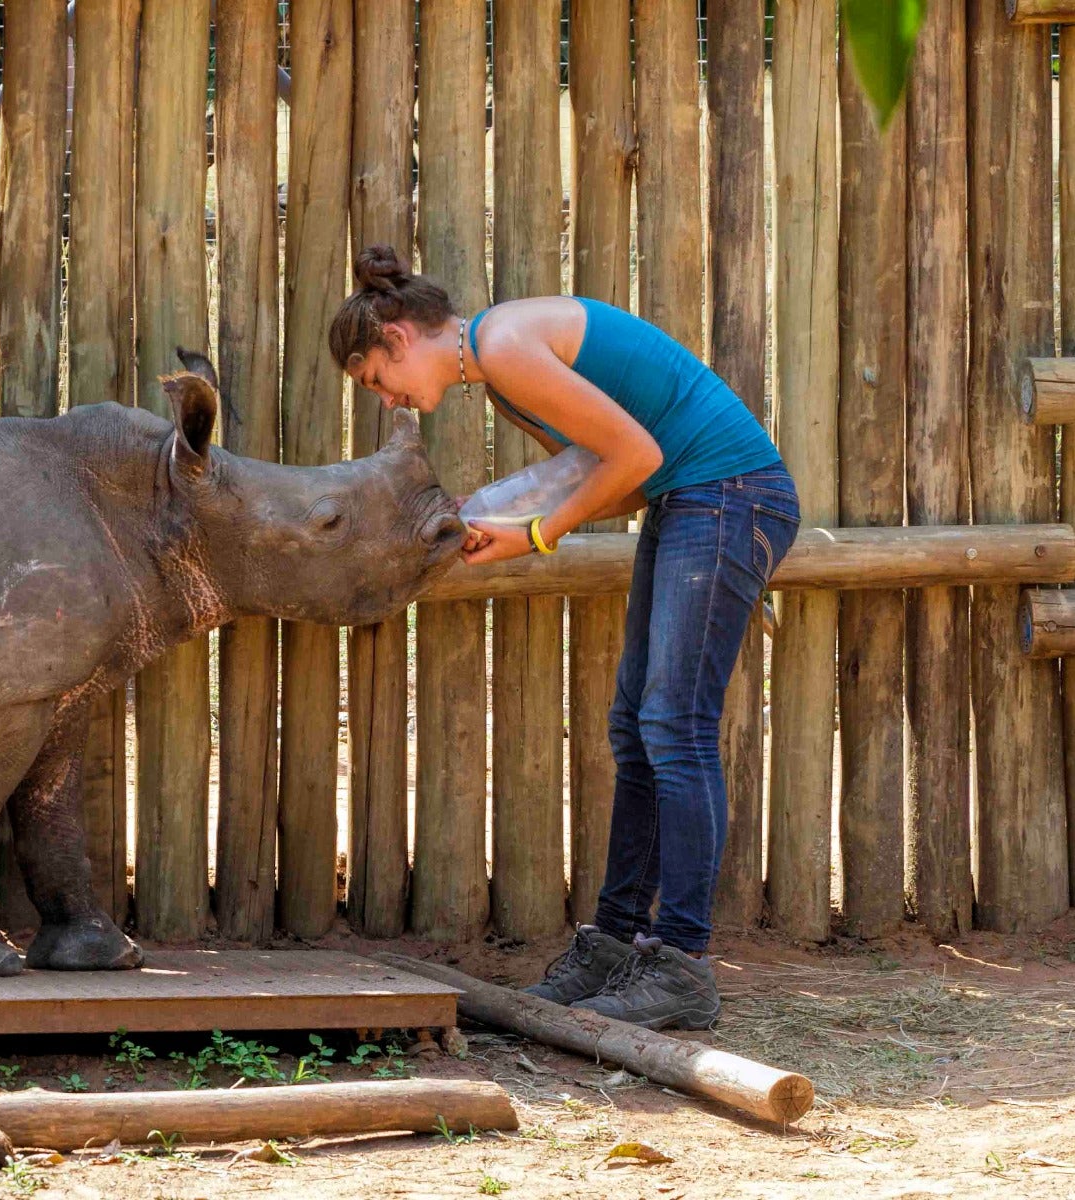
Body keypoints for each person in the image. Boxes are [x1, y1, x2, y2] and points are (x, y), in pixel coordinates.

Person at [329, 245, 799, 1031]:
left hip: (729, 497)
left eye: (376, 379)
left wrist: (535, 536)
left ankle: (681, 962)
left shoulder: (507, 347)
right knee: (638, 728)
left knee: (673, 730)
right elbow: (620, 480)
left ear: (398, 337)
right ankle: (615, 947)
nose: (386, 399)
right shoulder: (500, 375)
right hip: (689, 502)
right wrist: (505, 516)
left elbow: (638, 457)